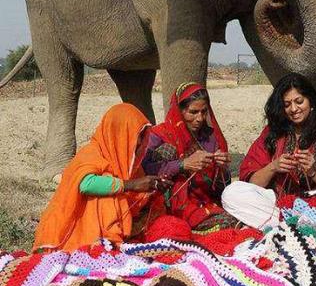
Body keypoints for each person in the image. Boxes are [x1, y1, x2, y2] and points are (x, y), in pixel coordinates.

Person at [33, 103, 170, 252]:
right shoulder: (91, 153)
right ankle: (100, 243)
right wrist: (130, 185)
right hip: (76, 231)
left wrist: (152, 188)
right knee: (106, 192)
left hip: (113, 233)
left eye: (140, 140)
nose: (137, 145)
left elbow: (137, 195)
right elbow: (85, 184)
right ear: (118, 134)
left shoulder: (125, 161)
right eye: (134, 139)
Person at [222, 73, 316, 229]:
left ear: (310, 102)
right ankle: (288, 224)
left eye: (299, 101)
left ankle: (279, 225)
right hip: (277, 204)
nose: (294, 109)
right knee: (231, 192)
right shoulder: (273, 131)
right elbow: (252, 182)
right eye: (287, 104)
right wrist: (273, 167)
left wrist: (313, 172)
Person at [142, 82, 232, 231]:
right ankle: (169, 217)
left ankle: (192, 222)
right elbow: (143, 169)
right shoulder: (160, 134)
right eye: (193, 112)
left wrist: (221, 169)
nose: (200, 118)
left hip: (201, 201)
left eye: (204, 112)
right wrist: (183, 164)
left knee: (232, 221)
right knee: (167, 150)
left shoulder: (210, 137)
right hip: (164, 202)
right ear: (179, 110)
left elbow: (220, 187)